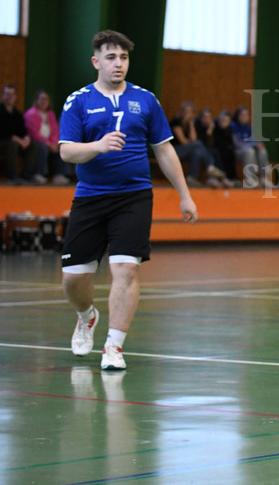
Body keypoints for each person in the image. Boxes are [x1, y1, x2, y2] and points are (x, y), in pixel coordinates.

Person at [58, 30, 198, 371]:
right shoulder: (77, 101)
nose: (118, 64)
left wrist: (185, 195)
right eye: (110, 57)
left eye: (123, 57)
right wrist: (98, 146)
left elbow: (164, 150)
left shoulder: (146, 100)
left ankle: (114, 346)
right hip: (90, 197)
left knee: (125, 270)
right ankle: (86, 316)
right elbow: (66, 151)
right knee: (73, 277)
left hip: (134, 197)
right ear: (96, 62)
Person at [0, 83, 44, 183]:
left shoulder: (17, 114)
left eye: (11, 94)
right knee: (12, 144)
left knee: (33, 145)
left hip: (16, 144)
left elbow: (22, 131)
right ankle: (12, 175)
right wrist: (15, 139)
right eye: (7, 94)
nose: (9, 97)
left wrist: (26, 138)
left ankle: (27, 173)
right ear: (3, 96)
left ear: (15, 97)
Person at [170, 102, 230, 188]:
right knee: (198, 144)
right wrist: (191, 142)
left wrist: (191, 124)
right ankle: (210, 167)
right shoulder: (176, 122)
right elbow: (183, 141)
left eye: (190, 112)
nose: (188, 114)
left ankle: (192, 177)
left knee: (197, 152)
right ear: (182, 112)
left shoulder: (189, 124)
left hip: (185, 152)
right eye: (186, 111)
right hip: (173, 152)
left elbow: (193, 139)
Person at [25, 89, 70, 184]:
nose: (44, 102)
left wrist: (54, 143)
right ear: (36, 100)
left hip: (50, 142)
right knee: (42, 147)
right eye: (41, 99)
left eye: (46, 99)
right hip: (36, 142)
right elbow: (34, 133)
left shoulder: (50, 114)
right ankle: (39, 173)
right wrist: (48, 144)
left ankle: (59, 174)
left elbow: (55, 130)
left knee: (62, 145)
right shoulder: (31, 114)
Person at [231, 106, 271, 188]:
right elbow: (236, 143)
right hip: (237, 151)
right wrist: (253, 144)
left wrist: (258, 144)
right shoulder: (233, 126)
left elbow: (254, 140)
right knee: (250, 151)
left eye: (246, 115)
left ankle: (263, 177)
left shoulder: (248, 127)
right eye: (242, 115)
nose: (245, 117)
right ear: (238, 116)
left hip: (249, 149)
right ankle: (249, 178)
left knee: (262, 150)